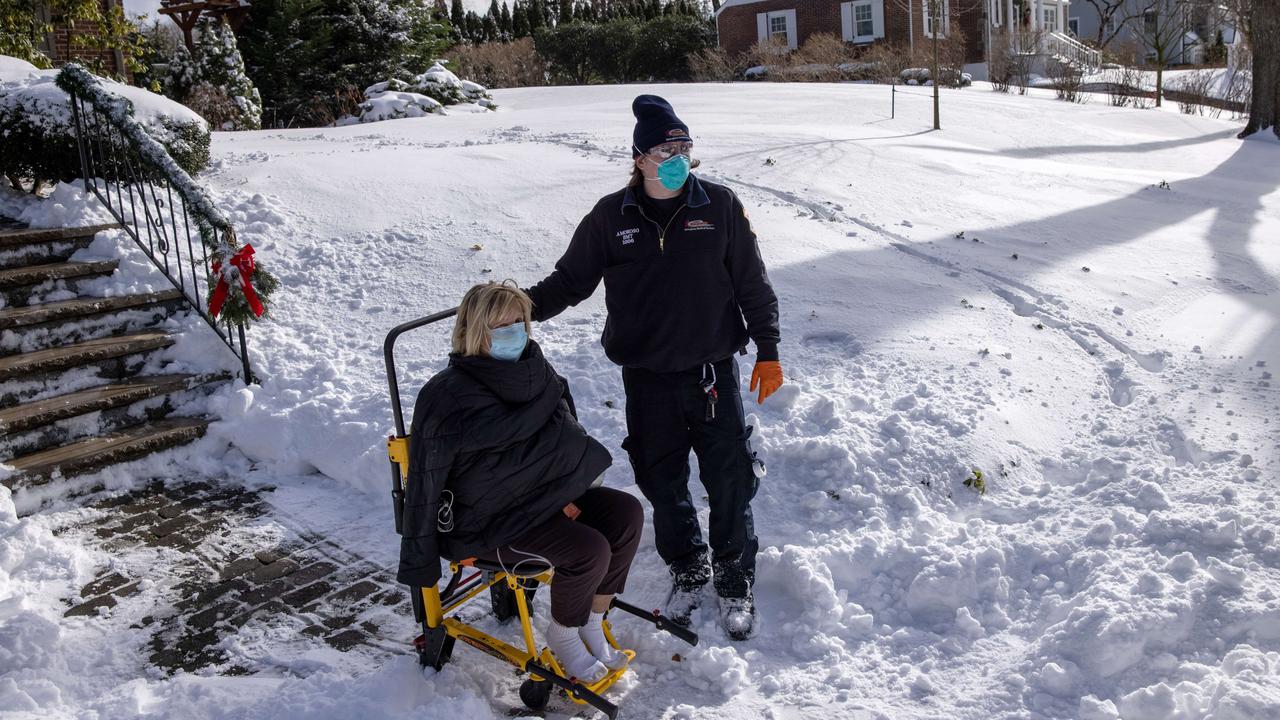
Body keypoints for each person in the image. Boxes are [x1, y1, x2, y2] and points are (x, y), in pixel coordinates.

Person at [525, 95, 783, 640]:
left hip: (712, 373)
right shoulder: (609, 217)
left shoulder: (719, 206)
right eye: (667, 147)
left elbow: (753, 284)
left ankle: (736, 581)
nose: (678, 156)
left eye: (685, 147)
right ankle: (689, 568)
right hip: (646, 377)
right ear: (639, 157)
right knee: (661, 481)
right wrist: (516, 308)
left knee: (729, 478)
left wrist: (769, 349)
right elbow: (569, 283)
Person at [397, 280, 645, 684]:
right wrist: (421, 561)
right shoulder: (446, 396)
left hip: (543, 503)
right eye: (500, 324)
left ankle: (591, 621)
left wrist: (567, 491)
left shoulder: (537, 370)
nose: (513, 331)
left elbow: (564, 439)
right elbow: (426, 480)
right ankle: (563, 635)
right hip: (487, 523)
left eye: (519, 321)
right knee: (589, 549)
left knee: (626, 514)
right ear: (474, 330)